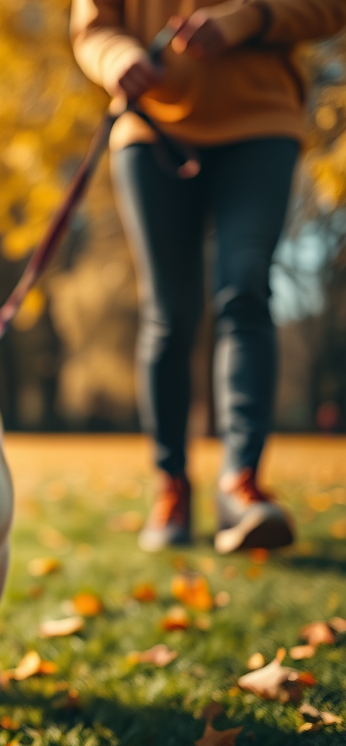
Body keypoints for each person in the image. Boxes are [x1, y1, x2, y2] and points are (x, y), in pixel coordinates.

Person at [70, 1, 346, 553]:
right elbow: (92, 27)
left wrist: (247, 19)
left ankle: (240, 484)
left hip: (260, 122)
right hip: (149, 129)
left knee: (245, 289)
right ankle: (171, 485)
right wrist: (117, 56)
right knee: (168, 313)